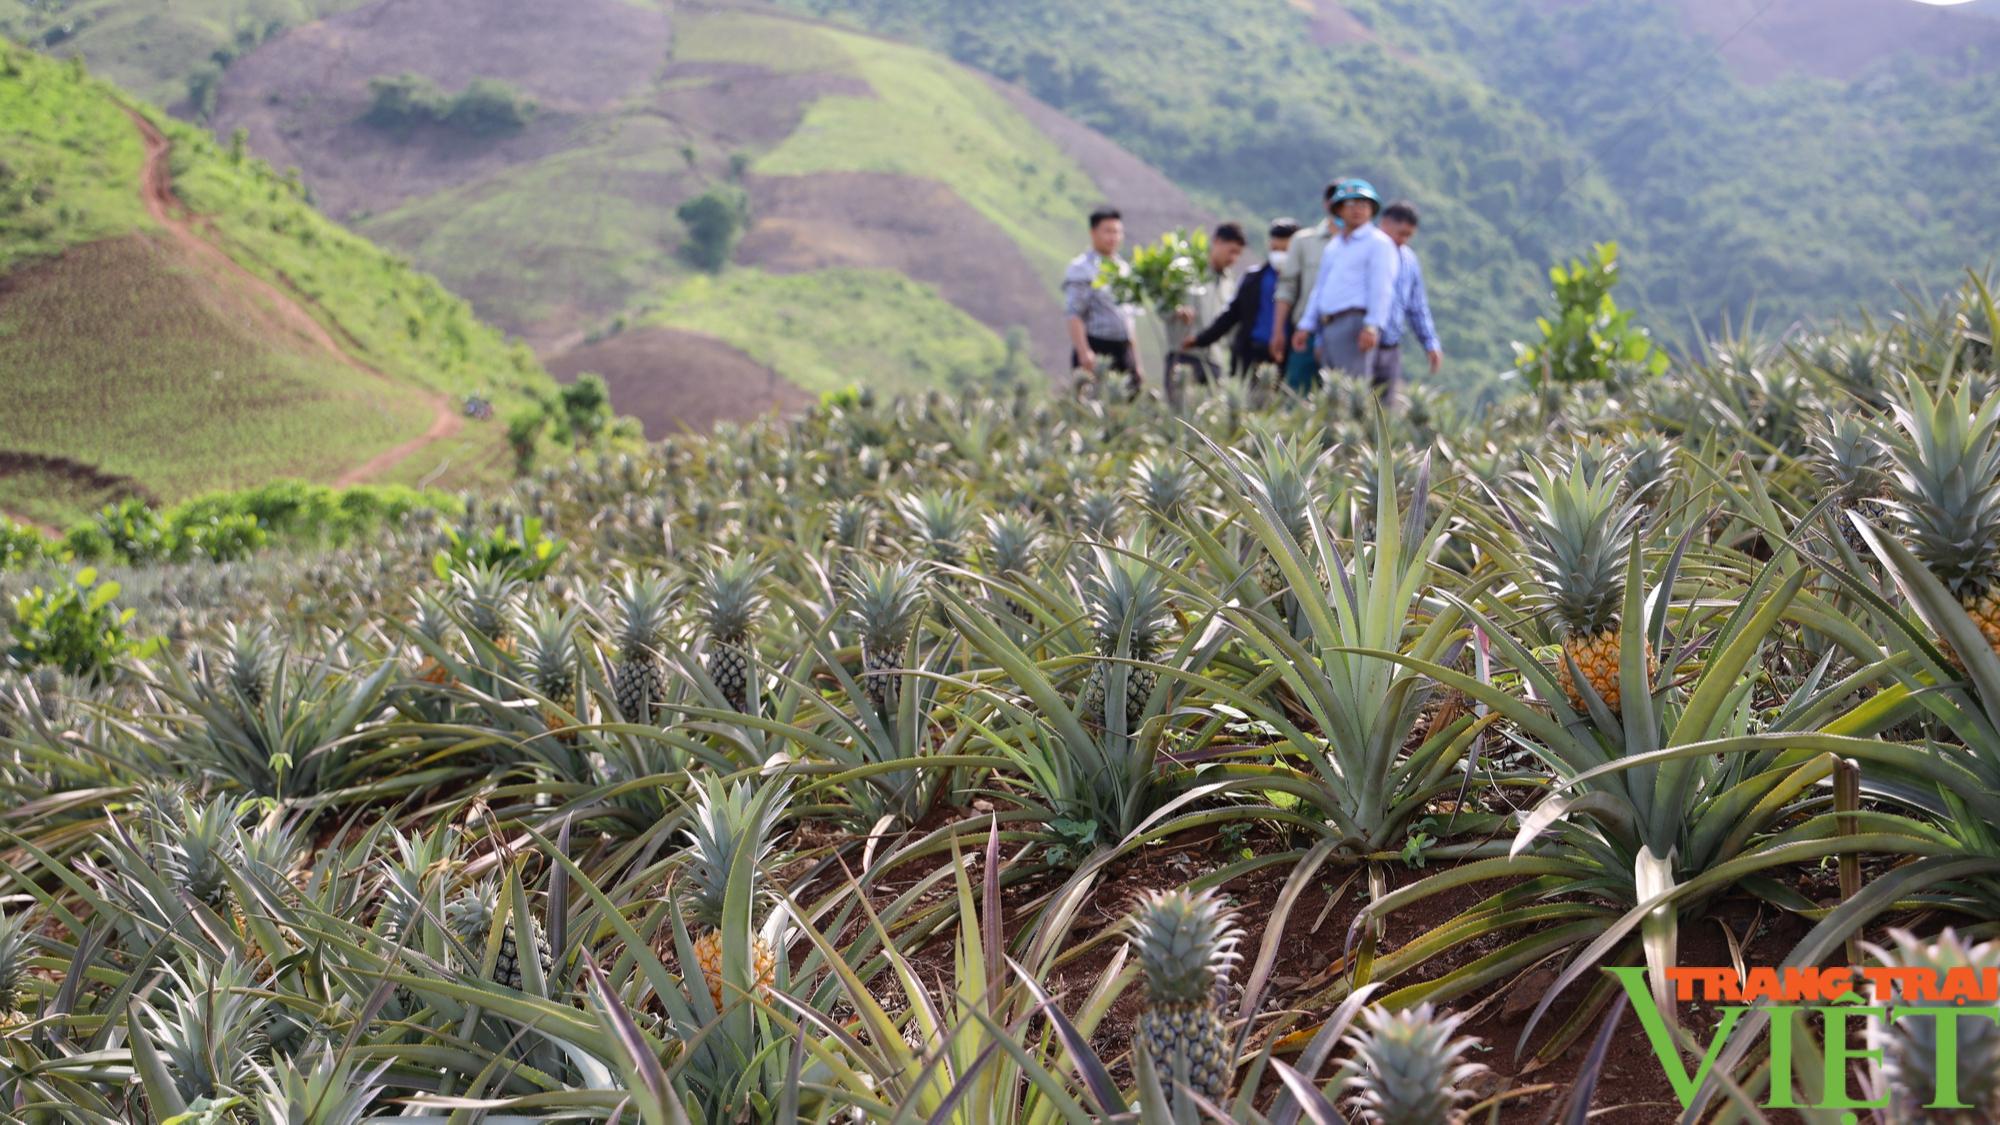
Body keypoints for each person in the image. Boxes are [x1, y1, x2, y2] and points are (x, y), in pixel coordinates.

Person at [1291, 179, 1398, 400]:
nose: (1357, 209)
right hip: (1329, 325)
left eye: (1363, 203)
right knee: (1331, 393)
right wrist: (1306, 325)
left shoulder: (1378, 243)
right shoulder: (1335, 246)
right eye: (1350, 203)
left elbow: (1382, 287)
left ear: (1371, 209)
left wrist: (1372, 325)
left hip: (1355, 323)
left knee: (1352, 394)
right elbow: (1320, 288)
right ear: (1338, 209)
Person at [1183, 218, 1299, 378]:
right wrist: (1200, 340)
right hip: (1252, 354)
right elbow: (1230, 315)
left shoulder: (1304, 281)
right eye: (1274, 249)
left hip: (1290, 356)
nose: (1279, 255)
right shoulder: (1254, 278)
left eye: (1284, 250)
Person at [1271, 180, 1345, 395]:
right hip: (1307, 333)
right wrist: (1278, 331)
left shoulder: (1365, 245)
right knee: (1296, 395)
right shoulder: (1304, 241)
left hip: (1344, 333)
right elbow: (1287, 287)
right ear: (1328, 204)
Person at [1063, 206, 1142, 390]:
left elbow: (1129, 319)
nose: (1113, 237)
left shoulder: (1124, 269)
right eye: (1108, 231)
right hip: (1096, 346)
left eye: (1117, 232)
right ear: (1093, 232)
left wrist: (1136, 362)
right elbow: (1074, 314)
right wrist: (1084, 353)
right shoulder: (1082, 268)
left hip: (1123, 349)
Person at [1375, 200, 1441, 395]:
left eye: (1408, 236)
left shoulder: (1409, 260)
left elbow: (1417, 307)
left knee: (1385, 411)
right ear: (1385, 223)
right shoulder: (1366, 249)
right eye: (1400, 233)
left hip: (1391, 346)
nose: (1403, 240)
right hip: (1362, 343)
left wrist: (1430, 343)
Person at [1171, 221, 1248, 388]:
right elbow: (1163, 302)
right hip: (1184, 355)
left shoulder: (1230, 283)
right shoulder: (1186, 269)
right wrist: (1176, 310)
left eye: (1238, 254)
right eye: (1231, 251)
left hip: (1214, 359)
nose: (1233, 258)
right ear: (1217, 242)